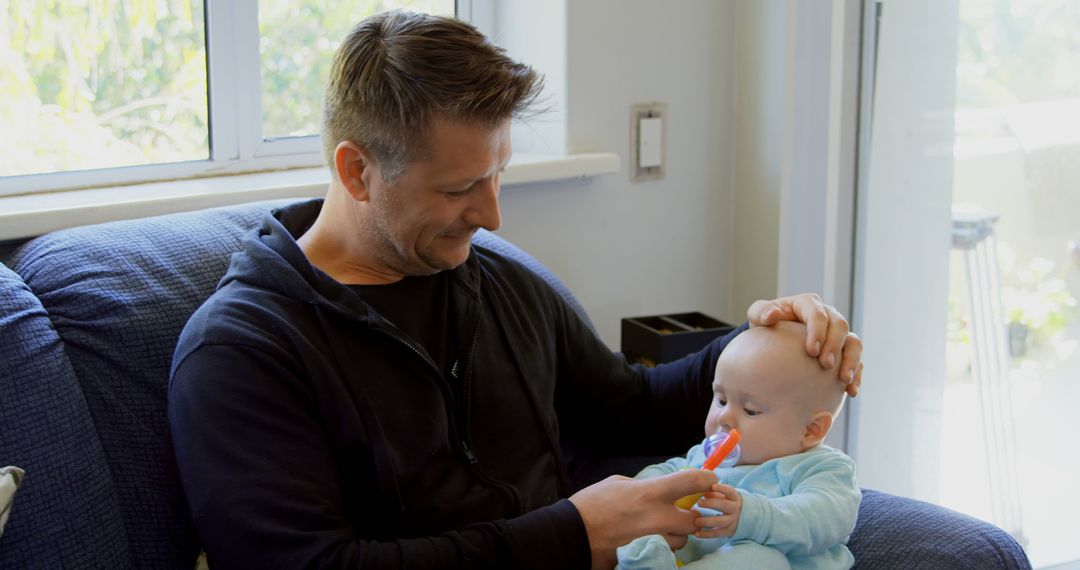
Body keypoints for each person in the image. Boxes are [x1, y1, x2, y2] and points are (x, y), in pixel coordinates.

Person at [167, 10, 864, 570]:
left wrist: (768, 343)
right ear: (357, 172)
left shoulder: (494, 282)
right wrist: (569, 536)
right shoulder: (243, 353)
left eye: (498, 173)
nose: (492, 216)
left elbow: (630, 410)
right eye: (460, 187)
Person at [616, 321, 861, 570]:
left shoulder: (824, 468)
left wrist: (754, 516)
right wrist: (642, 487)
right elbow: (671, 471)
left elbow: (822, 520)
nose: (724, 417)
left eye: (750, 410)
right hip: (686, 558)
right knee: (644, 535)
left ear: (811, 430)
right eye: (721, 400)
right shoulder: (704, 455)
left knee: (762, 560)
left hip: (776, 562)